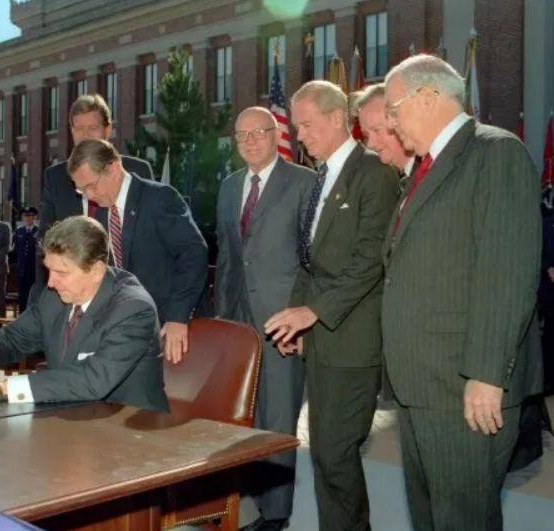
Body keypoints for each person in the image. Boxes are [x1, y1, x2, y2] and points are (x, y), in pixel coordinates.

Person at [382, 54, 542, 530]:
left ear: (428, 97)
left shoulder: (495, 153)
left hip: (463, 387)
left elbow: (506, 274)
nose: (389, 122)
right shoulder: (427, 167)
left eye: (393, 108)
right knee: (432, 517)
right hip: (421, 385)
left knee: (463, 521)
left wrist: (487, 375)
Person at [264, 80, 398, 531]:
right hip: (322, 341)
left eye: (305, 125)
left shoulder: (374, 173)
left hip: (353, 341)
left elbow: (370, 260)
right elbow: (309, 259)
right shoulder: (322, 177)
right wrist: (296, 320)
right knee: (324, 454)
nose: (298, 135)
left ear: (337, 119)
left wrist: (313, 312)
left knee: (335, 455)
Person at [0, 216, 169, 413]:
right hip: (70, 420)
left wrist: (1, 385)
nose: (51, 282)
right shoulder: (56, 297)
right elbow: (13, 337)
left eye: (62, 272)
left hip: (130, 435)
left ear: (97, 271)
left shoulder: (133, 308)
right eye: (49, 270)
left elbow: (94, 380)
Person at [215, 107, 314, 531]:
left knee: (278, 416)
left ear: (277, 135)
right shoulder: (229, 187)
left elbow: (313, 259)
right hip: (238, 322)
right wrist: (221, 320)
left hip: (283, 321)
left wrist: (303, 319)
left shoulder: (305, 183)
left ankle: (277, 516)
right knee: (245, 414)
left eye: (260, 132)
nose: (251, 141)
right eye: (243, 136)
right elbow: (227, 258)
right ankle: (254, 496)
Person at [68, 138, 208, 364]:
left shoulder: (160, 198)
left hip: (172, 329)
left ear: (113, 168)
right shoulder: (103, 213)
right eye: (82, 190)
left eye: (91, 186)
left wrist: (177, 317)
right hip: (133, 329)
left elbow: (194, 254)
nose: (89, 196)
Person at [33, 94, 154, 303]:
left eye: (92, 128)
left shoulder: (136, 171)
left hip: (127, 292)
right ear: (71, 131)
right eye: (79, 129)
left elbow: (151, 239)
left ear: (107, 130)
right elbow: (46, 238)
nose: (85, 136)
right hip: (77, 292)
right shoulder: (55, 178)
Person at [352, 83, 415, 191]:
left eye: (377, 130)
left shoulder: (432, 175)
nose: (370, 144)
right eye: (366, 135)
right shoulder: (399, 180)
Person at [12, 206, 38, 313]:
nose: (27, 218)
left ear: (34, 217)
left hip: (35, 270)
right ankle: (21, 317)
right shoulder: (19, 231)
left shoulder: (39, 231)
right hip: (22, 269)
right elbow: (14, 250)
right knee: (22, 296)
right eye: (25, 216)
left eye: (30, 216)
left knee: (34, 295)